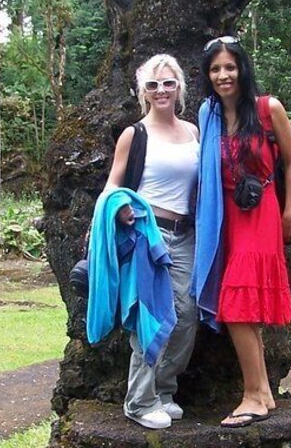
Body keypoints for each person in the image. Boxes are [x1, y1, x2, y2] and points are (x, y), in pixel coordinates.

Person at [193, 36, 291, 428]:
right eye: (216, 69)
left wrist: (288, 212)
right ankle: (264, 393)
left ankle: (253, 394)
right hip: (226, 218)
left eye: (230, 67)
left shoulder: (267, 108)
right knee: (245, 308)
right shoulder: (209, 115)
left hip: (262, 213)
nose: (223, 75)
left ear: (242, 68)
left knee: (237, 306)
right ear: (208, 75)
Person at [104, 54, 199, 430]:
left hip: (186, 236)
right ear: (142, 92)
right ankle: (139, 401)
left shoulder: (193, 132)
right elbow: (113, 185)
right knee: (150, 318)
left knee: (188, 316)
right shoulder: (135, 134)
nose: (161, 90)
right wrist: (121, 206)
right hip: (148, 234)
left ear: (179, 88)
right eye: (153, 84)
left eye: (168, 83)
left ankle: (163, 390)